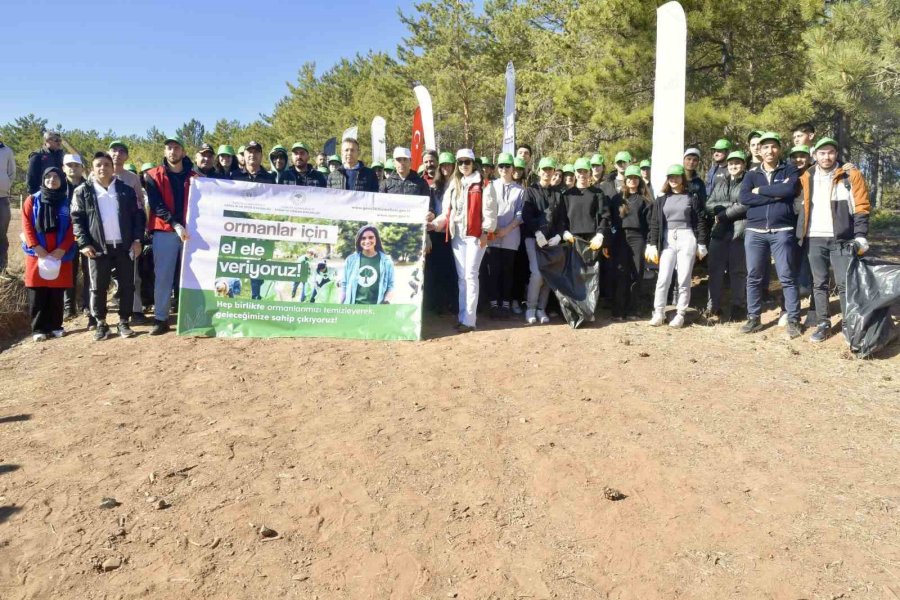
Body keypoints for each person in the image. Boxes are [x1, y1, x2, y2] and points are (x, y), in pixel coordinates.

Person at [796, 137, 871, 343]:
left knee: (845, 284)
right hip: (814, 237)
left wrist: (861, 235)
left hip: (841, 238)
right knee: (819, 284)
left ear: (836, 154)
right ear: (815, 155)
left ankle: (848, 325)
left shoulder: (850, 175)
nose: (826, 156)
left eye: (830, 152)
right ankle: (823, 324)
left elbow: (861, 206)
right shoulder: (807, 175)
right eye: (822, 153)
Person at [71, 152, 145, 340]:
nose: (103, 168)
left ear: (113, 168)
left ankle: (123, 322)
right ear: (92, 169)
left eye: (106, 164)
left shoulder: (125, 190)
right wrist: (84, 243)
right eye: (98, 165)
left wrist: (137, 240)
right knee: (97, 287)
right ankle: (101, 323)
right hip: (97, 248)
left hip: (124, 246)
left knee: (128, 286)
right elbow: (77, 220)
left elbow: (138, 216)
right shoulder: (82, 191)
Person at [739, 131, 803, 338]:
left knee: (787, 276)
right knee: (754, 277)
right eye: (765, 147)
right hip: (755, 231)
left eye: (773, 146)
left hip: (782, 231)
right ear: (760, 150)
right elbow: (745, 198)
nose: (769, 150)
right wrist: (775, 194)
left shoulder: (790, 169)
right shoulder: (751, 174)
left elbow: (789, 191)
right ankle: (754, 318)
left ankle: (793, 319)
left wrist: (761, 191)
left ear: (779, 149)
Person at [431, 149, 498, 332]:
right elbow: (446, 212)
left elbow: (490, 212)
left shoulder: (484, 184)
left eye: (467, 162)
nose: (463, 166)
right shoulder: (454, 184)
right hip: (458, 235)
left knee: (471, 275)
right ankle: (462, 317)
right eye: (460, 162)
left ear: (473, 163)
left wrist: (486, 232)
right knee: (462, 278)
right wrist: (435, 225)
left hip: (476, 236)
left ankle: (470, 320)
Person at [144, 135, 198, 335]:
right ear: (164, 152)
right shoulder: (152, 175)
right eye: (169, 148)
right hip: (165, 231)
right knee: (163, 276)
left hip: (192, 233)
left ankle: (189, 315)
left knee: (191, 277)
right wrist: (175, 224)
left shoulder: (195, 177)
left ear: (183, 152)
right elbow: (156, 205)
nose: (172, 151)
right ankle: (161, 318)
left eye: (176, 148)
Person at [645, 164, 709, 328]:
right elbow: (655, 223)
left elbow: (701, 220)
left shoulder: (692, 197)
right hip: (667, 239)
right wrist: (652, 243)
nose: (673, 180)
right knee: (663, 278)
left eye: (677, 176)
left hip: (686, 237)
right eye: (670, 177)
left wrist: (701, 242)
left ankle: (680, 313)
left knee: (684, 278)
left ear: (683, 178)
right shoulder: (662, 199)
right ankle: (658, 312)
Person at [21, 167, 75, 341]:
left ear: (62, 180)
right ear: (43, 180)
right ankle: (38, 329)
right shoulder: (32, 200)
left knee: (56, 292)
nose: (52, 180)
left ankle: (56, 326)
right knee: (38, 293)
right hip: (37, 253)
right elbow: (27, 225)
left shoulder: (67, 202)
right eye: (48, 177)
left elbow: (72, 228)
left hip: (61, 253)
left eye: (56, 177)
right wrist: (36, 247)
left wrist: (62, 249)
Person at [704, 150, 748, 322]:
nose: (734, 166)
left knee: (738, 272)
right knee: (714, 271)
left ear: (743, 165)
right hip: (719, 231)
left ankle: (738, 307)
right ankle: (713, 307)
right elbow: (708, 205)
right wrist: (731, 205)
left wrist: (722, 212)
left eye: (737, 163)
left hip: (739, 231)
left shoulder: (747, 182)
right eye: (731, 164)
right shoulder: (721, 182)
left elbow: (745, 205)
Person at [108, 140, 149, 325]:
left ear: (126, 156)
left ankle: (136, 310)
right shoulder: (96, 174)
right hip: (104, 236)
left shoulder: (132, 178)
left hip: (127, 235)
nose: (117, 153)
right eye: (114, 150)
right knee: (102, 278)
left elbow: (139, 206)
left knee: (133, 276)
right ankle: (98, 317)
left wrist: (138, 235)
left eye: (121, 151)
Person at [484, 152, 525, 319]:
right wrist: (492, 229)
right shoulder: (490, 186)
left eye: (507, 166)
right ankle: (494, 304)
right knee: (493, 270)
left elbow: (520, 214)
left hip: (511, 235)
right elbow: (485, 210)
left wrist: (507, 230)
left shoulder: (520, 190)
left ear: (513, 168)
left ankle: (506, 304)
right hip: (492, 235)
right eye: (501, 166)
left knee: (508, 271)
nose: (504, 169)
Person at [524, 157, 563, 324]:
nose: (547, 172)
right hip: (533, 238)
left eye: (550, 169)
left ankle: (541, 309)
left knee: (548, 274)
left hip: (551, 241)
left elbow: (561, 219)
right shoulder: (530, 191)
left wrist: (559, 235)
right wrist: (537, 232)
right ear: (539, 171)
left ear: (554, 172)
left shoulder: (557, 194)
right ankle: (530, 308)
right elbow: (526, 215)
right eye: (544, 169)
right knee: (537, 273)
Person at [616, 165, 652, 318]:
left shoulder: (646, 201)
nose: (632, 180)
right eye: (629, 178)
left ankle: (633, 309)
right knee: (621, 273)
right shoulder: (618, 199)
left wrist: (651, 242)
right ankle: (619, 310)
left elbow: (651, 224)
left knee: (636, 274)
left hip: (638, 238)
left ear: (639, 180)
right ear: (625, 180)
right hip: (621, 238)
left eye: (635, 178)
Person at [424, 151, 457, 315]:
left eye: (448, 165)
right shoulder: (433, 186)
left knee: (451, 270)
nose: (445, 168)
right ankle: (436, 304)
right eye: (443, 165)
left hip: (453, 233)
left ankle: (451, 303)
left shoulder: (458, 184)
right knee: (435, 270)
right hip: (437, 232)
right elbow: (430, 209)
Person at [62, 154, 88, 320]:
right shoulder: (57, 188)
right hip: (66, 237)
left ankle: (87, 305)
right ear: (64, 168)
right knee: (68, 272)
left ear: (82, 168)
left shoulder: (90, 187)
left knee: (89, 272)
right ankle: (68, 307)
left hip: (86, 236)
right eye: (69, 165)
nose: (73, 168)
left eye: (76, 165)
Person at [340, 225, 395, 305]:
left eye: (371, 237)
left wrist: (386, 302)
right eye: (363, 238)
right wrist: (340, 306)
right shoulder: (350, 260)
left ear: (376, 239)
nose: (367, 241)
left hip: (376, 311)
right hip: (353, 310)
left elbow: (391, 286)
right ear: (359, 240)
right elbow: (344, 285)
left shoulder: (387, 261)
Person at [0, 136, 15, 281]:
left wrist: (4, 185)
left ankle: (2, 269)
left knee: (2, 235)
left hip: (2, 198)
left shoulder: (7, 151)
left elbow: (12, 172)